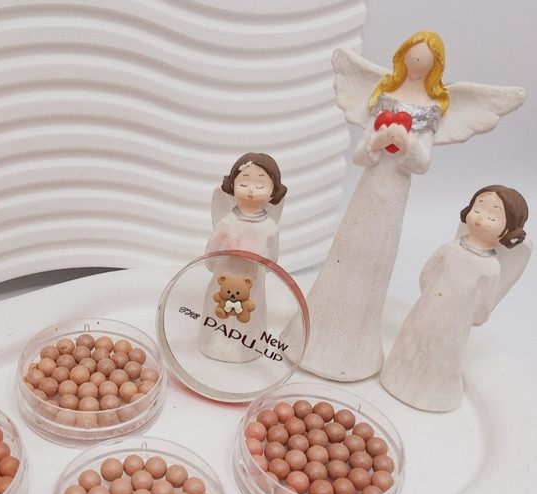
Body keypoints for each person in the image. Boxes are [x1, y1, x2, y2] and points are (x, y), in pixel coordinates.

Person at [281, 31, 525, 381]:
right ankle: (313, 334)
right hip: (367, 191)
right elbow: (360, 154)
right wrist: (378, 140)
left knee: (374, 259)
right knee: (347, 251)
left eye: (426, 57)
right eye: (414, 54)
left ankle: (354, 348)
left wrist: (407, 145)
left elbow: (421, 163)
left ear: (435, 64)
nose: (417, 61)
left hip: (394, 192)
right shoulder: (384, 94)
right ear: (404, 55)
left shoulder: (431, 109)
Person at [380, 185, 529, 411]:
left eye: (492, 217)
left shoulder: (490, 267)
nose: (481, 219)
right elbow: (427, 273)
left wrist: (477, 317)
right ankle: (397, 377)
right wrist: (430, 297)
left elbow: (486, 301)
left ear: (508, 231)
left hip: (456, 321)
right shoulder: (451, 249)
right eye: (478, 209)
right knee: (414, 339)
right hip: (428, 308)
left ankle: (431, 393)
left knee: (443, 351)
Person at [199, 152, 287, 362]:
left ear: (273, 193)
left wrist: (260, 260)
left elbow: (272, 259)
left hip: (252, 279)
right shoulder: (227, 222)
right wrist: (214, 262)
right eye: (244, 183)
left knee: (250, 311)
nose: (251, 190)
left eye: (260, 185)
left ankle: (245, 346)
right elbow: (212, 248)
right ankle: (214, 340)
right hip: (225, 274)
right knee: (217, 307)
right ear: (232, 185)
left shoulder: (269, 228)